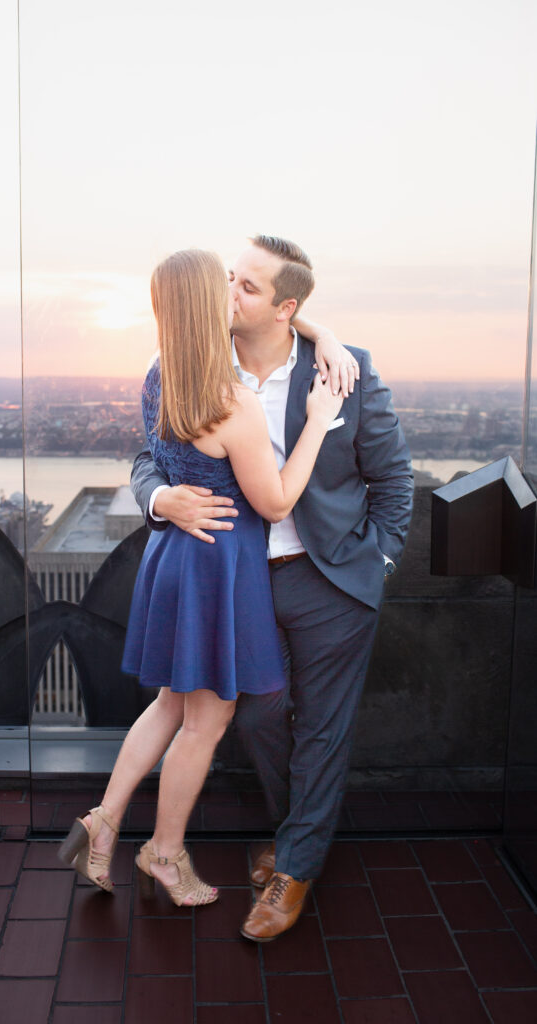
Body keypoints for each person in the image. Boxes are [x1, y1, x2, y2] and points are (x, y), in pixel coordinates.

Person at [131, 235, 414, 939]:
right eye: (229, 277)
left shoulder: (345, 372)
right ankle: (297, 837)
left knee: (321, 729)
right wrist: (159, 501)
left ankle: (293, 868)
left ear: (285, 307)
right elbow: (146, 458)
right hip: (240, 585)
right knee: (256, 718)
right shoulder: (189, 365)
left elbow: (393, 479)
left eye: (247, 287)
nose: (228, 293)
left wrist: (375, 564)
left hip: (329, 583)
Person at [59, 248, 343, 907]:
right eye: (223, 284)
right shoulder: (232, 402)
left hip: (173, 561)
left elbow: (154, 453)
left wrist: (318, 331)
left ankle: (101, 823)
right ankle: (163, 852)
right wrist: (318, 425)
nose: (232, 291)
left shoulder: (161, 376)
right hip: (220, 564)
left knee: (168, 705)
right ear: (205, 304)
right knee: (204, 723)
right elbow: (273, 502)